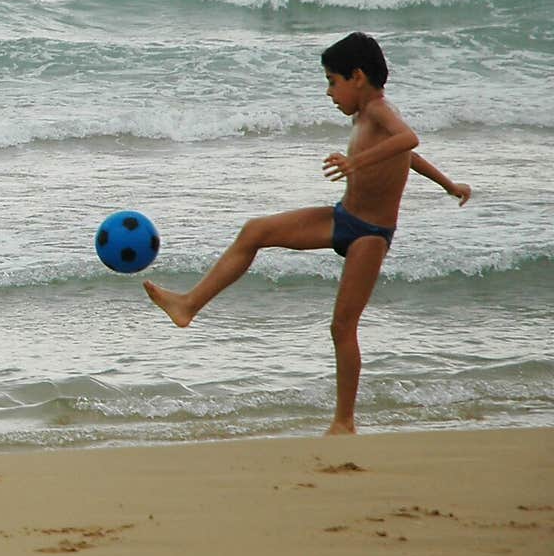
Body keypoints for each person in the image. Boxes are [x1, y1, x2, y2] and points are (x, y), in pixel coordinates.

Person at [143, 32, 471, 435]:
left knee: (342, 326)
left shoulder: (381, 110)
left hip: (370, 233)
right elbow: (410, 155)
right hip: (343, 217)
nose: (329, 92)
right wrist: (448, 184)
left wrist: (357, 163)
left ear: (357, 77)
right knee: (255, 231)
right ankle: (189, 305)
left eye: (333, 81)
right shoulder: (362, 116)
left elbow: (409, 139)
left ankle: (344, 422)